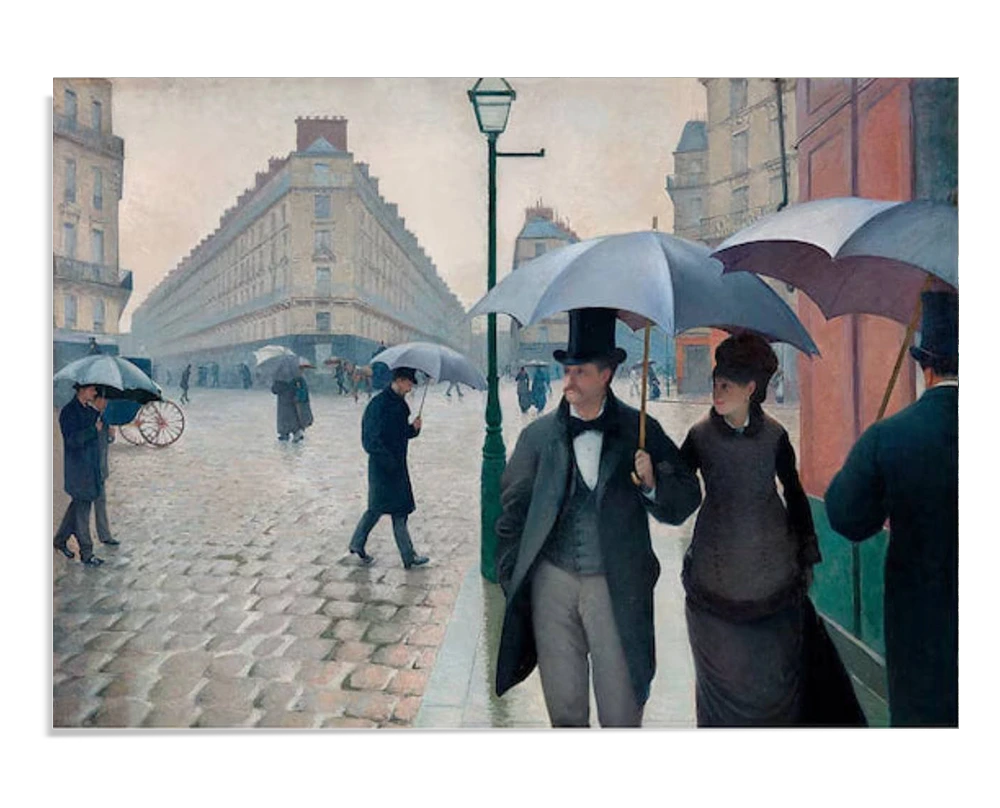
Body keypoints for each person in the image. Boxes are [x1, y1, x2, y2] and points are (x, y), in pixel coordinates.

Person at [494, 308, 702, 728]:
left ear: (607, 374)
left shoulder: (639, 430)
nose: (568, 381)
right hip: (552, 587)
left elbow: (686, 498)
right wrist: (516, 578)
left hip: (617, 585)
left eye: (581, 372)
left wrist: (652, 483)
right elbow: (509, 517)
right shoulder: (537, 438)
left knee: (621, 709)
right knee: (565, 708)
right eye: (567, 370)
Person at [677, 333, 855, 728]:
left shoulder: (775, 436)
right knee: (721, 687)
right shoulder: (699, 436)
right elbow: (677, 490)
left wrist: (807, 553)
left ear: (750, 389)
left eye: (726, 385)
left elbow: (794, 495)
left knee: (777, 684)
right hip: (714, 574)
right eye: (715, 383)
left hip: (774, 576)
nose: (716, 392)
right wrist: (652, 477)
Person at [824, 291, 958, 728]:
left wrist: (870, 461)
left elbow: (847, 517)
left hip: (921, 632)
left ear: (925, 367)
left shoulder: (892, 435)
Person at [348, 367, 430, 569]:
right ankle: (407, 556)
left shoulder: (400, 405)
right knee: (383, 510)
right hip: (382, 467)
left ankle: (359, 543)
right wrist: (387, 460)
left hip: (397, 466)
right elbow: (369, 440)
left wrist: (413, 429)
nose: (410, 389)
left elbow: (401, 434)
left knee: (392, 511)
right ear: (400, 381)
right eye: (409, 384)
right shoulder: (378, 405)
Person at [52, 383, 110, 567]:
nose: (94, 393)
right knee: (82, 512)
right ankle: (86, 552)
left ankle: (60, 540)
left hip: (89, 469)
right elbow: (73, 440)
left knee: (76, 508)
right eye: (92, 389)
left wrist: (102, 422)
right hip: (78, 470)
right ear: (82, 390)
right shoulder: (69, 412)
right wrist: (94, 430)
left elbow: (97, 431)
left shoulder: (88, 410)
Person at [271, 359, 306, 442]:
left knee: (284, 421)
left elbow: (274, 390)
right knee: (293, 418)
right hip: (293, 402)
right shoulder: (295, 377)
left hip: (283, 405)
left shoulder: (279, 378)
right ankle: (296, 432)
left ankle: (285, 434)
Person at [291, 366, 314, 442]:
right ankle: (300, 432)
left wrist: (298, 397)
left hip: (301, 402)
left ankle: (299, 432)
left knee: (301, 416)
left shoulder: (300, 380)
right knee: (300, 417)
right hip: (301, 401)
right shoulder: (299, 379)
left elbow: (302, 391)